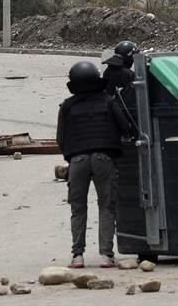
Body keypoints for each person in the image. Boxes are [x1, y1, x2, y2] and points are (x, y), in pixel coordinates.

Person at [56, 61, 131, 269]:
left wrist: (70, 157)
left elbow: (61, 138)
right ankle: (106, 255)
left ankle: (77, 256)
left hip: (77, 160)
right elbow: (125, 127)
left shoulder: (68, 106)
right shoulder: (108, 101)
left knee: (78, 209)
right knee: (106, 206)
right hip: (104, 158)